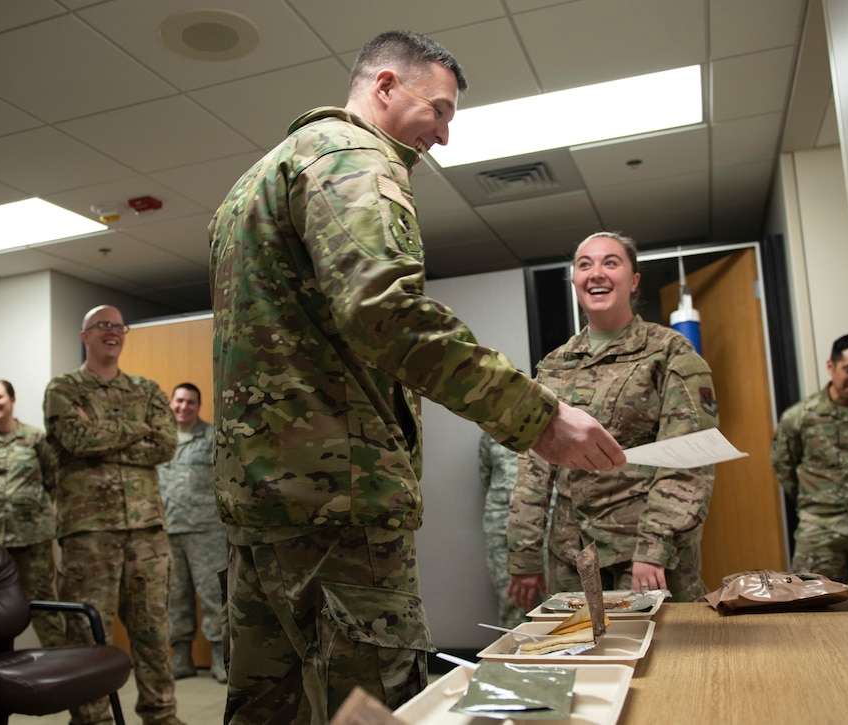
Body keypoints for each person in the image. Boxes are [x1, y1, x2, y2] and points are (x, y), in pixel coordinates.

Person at [209, 30, 626, 723]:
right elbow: (387, 313)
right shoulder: (355, 159)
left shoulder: (249, 186)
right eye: (438, 110)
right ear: (383, 87)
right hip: (339, 511)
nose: (444, 134)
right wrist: (540, 417)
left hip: (260, 510)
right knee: (381, 703)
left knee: (267, 708)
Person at [507, 232, 720, 609]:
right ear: (574, 280)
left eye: (611, 262)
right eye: (584, 265)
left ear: (634, 280)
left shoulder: (669, 352)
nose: (596, 274)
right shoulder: (556, 364)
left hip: (645, 555)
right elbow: (534, 466)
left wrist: (654, 546)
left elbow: (689, 457)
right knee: (583, 657)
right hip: (573, 557)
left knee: (662, 660)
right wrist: (523, 556)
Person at [43, 305, 185, 725]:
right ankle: (92, 719)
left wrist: (105, 434)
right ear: (84, 335)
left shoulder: (146, 389)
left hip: (147, 531)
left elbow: (165, 445)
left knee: (154, 631)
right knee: (87, 633)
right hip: (89, 532)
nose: (112, 332)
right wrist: (135, 429)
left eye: (118, 327)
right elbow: (74, 437)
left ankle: (161, 714)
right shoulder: (64, 388)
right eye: (101, 326)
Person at [771, 333, 848, 595]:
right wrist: (817, 502)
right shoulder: (800, 417)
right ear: (831, 367)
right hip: (820, 529)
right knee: (811, 603)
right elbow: (785, 467)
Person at [0, 379, 64, 647]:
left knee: (43, 601)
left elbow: (53, 479)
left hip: (31, 536)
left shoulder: (35, 437)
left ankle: (60, 660)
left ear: (12, 400)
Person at [157, 383, 228, 684]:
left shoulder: (213, 437)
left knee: (213, 597)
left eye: (190, 402)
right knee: (175, 597)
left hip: (206, 531)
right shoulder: (159, 439)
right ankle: (182, 658)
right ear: (170, 403)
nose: (183, 407)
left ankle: (219, 659)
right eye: (179, 401)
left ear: (199, 406)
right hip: (166, 530)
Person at [478, 430, 526, 628]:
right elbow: (485, 475)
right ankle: (510, 656)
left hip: (548, 525)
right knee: (511, 600)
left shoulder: (551, 427)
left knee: (555, 600)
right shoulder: (491, 431)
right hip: (500, 524)